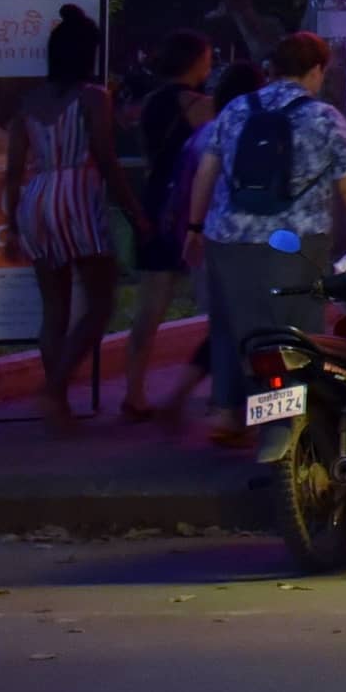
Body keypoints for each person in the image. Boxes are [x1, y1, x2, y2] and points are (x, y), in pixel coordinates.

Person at [188, 33, 346, 453]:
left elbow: (206, 172)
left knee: (234, 324)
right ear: (316, 70)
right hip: (294, 244)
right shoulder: (324, 118)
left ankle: (228, 414)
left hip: (227, 239)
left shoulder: (235, 109)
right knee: (293, 335)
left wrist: (195, 228)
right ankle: (283, 426)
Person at [0, 5, 132, 426]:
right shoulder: (94, 97)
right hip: (78, 197)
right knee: (100, 302)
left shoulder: (28, 102)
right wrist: (135, 214)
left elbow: (13, 168)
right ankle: (54, 389)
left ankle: (56, 404)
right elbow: (107, 158)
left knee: (54, 308)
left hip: (35, 199)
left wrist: (10, 223)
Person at [118, 31, 218, 420]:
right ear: (195, 62)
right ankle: (215, 390)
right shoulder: (198, 105)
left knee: (151, 306)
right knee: (218, 304)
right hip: (190, 209)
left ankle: (134, 391)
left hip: (156, 204)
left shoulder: (151, 104)